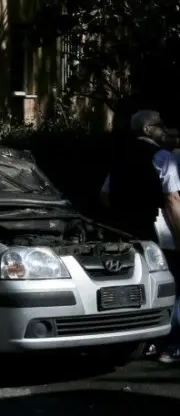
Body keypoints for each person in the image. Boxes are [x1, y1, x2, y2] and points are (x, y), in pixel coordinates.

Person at [100, 109, 180, 363]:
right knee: (175, 286)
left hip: (126, 233)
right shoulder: (162, 156)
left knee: (143, 287)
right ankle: (172, 345)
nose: (163, 129)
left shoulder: (120, 157)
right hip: (159, 232)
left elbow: (105, 194)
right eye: (160, 125)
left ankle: (148, 342)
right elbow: (172, 198)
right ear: (148, 129)